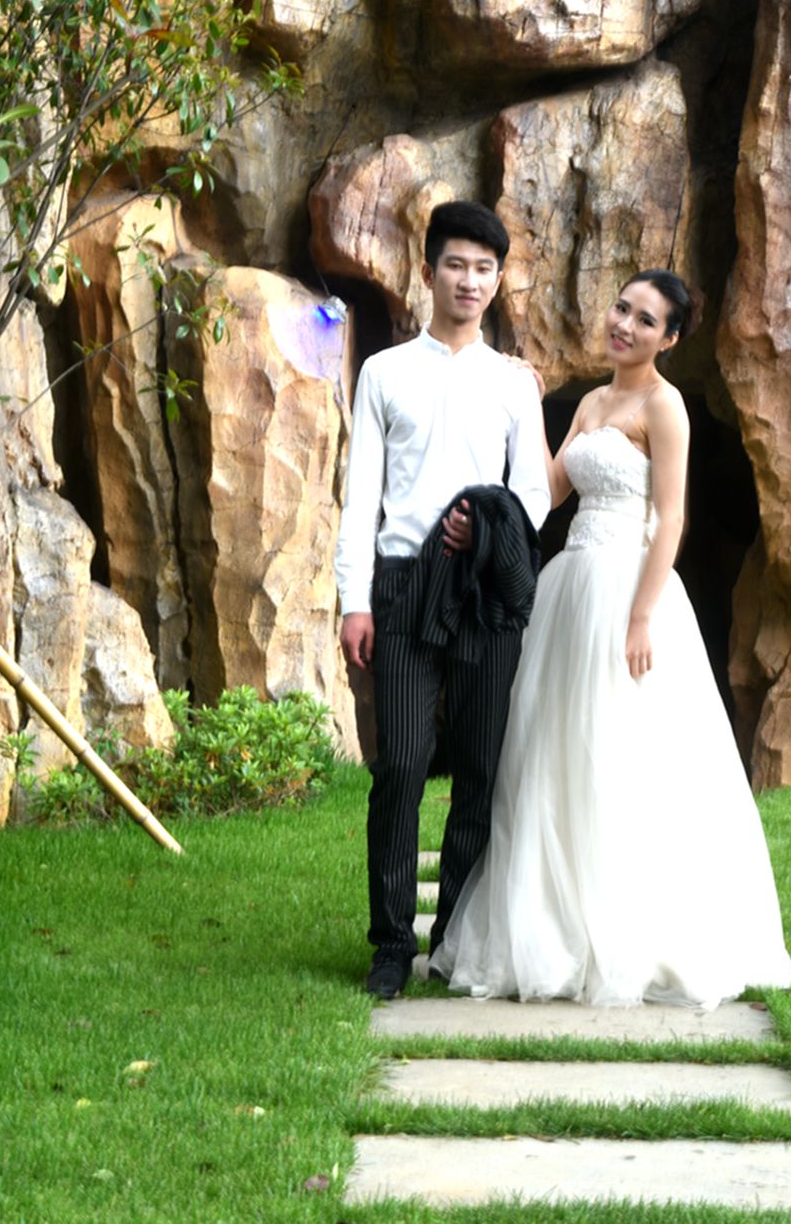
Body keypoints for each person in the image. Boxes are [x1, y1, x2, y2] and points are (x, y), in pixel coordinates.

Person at [428, 270, 791, 1009]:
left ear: (670, 337)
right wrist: (528, 406)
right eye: (621, 308)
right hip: (572, 589)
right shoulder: (594, 401)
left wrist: (640, 616)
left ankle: (630, 929)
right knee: (555, 749)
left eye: (645, 319)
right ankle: (556, 922)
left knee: (624, 752)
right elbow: (550, 491)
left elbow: (671, 519)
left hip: (631, 589)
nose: (624, 324)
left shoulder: (666, 406)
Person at [334, 201, 551, 1000]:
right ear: (427, 272)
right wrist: (354, 600)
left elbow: (534, 492)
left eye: (485, 268)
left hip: (484, 591)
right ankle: (391, 943)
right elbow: (361, 494)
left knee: (480, 768)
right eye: (456, 264)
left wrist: (488, 530)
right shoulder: (385, 371)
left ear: (498, 281)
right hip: (400, 584)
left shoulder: (513, 383)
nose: (470, 280)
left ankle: (454, 936)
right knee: (400, 764)